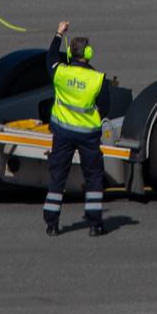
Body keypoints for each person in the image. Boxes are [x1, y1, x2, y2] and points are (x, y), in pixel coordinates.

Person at [42, 19, 107, 237]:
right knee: (94, 178)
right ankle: (95, 224)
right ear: (88, 54)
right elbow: (106, 107)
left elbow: (50, 56)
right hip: (88, 135)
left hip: (62, 133)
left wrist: (59, 34)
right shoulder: (98, 79)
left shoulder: (61, 73)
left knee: (58, 177)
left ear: (70, 54)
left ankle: (52, 224)